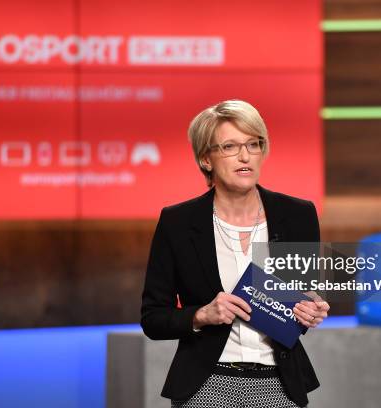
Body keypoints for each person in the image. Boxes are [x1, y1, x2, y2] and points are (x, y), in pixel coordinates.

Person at [140, 99, 329, 407]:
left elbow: (301, 302)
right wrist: (202, 315)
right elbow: (153, 318)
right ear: (206, 159)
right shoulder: (178, 223)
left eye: (254, 144)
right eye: (230, 146)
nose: (245, 156)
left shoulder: (297, 215)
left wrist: (310, 309)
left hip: (280, 385)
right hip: (206, 385)